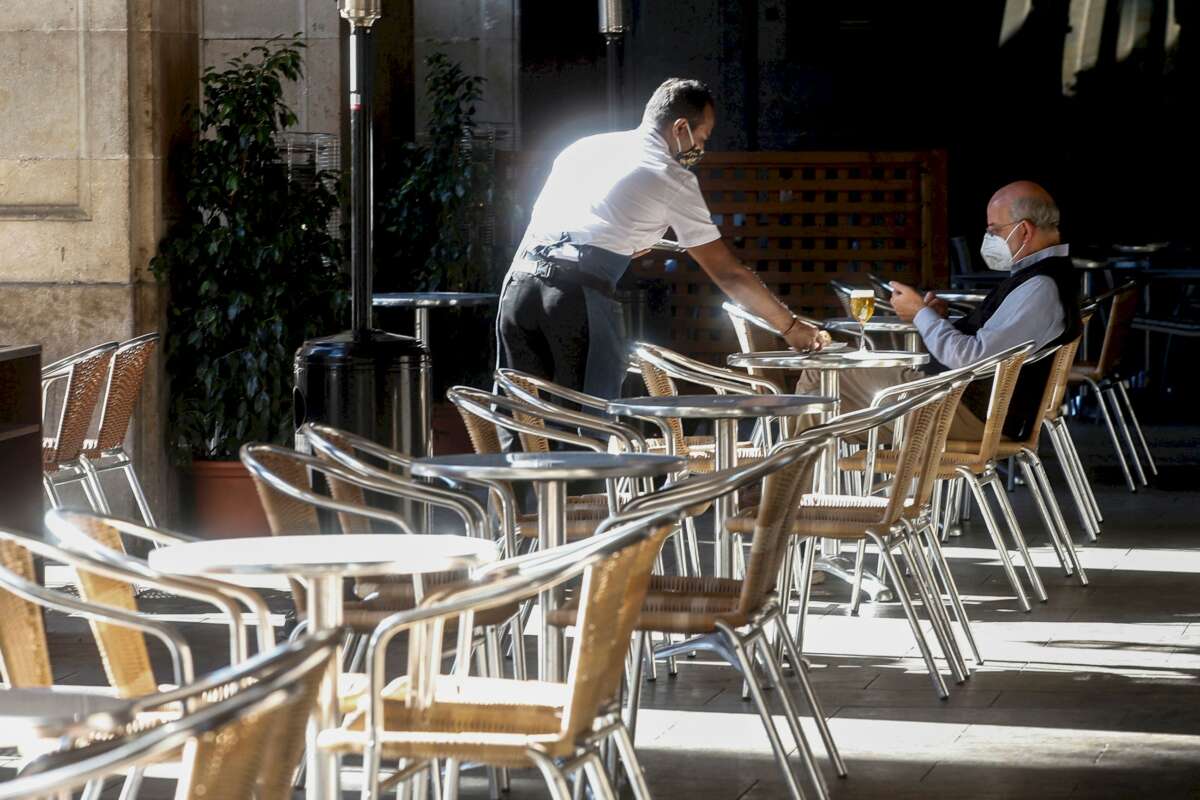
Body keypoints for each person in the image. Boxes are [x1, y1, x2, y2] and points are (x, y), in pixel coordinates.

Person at [496, 77, 823, 400]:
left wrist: (619, 250)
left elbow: (553, 223)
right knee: (584, 433)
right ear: (680, 128)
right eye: (702, 137)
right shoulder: (671, 177)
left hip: (518, 289)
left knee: (518, 417)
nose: (701, 149)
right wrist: (790, 328)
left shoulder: (583, 148)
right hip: (576, 297)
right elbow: (729, 273)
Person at [800, 180, 1081, 440]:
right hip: (959, 404)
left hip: (965, 412)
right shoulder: (1039, 279)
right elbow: (996, 343)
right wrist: (940, 319)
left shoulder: (1041, 287)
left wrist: (922, 315)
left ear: (1024, 230)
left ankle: (777, 489)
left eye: (994, 230)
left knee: (822, 369)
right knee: (819, 405)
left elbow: (971, 358)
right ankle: (789, 488)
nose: (989, 238)